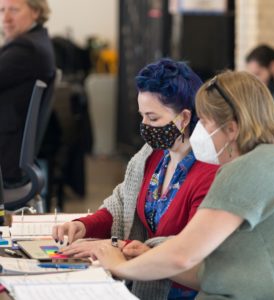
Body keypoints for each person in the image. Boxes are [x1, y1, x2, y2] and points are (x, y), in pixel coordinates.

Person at [89, 70, 274, 300]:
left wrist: (119, 267)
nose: (200, 133)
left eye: (206, 123)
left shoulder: (244, 170)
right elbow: (213, 270)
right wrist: (147, 254)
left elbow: (183, 255)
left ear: (231, 129)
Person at [52, 58, 219, 299]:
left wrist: (117, 247)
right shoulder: (152, 155)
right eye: (142, 116)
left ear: (184, 118)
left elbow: (191, 252)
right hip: (141, 277)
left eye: (153, 118)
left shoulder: (208, 173)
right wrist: (84, 225)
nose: (144, 126)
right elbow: (121, 204)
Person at [0, 0, 55, 184]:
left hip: (6, 159)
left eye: (14, 10)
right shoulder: (36, 41)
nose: (5, 18)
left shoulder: (26, 49)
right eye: (2, 10)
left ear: (36, 12)